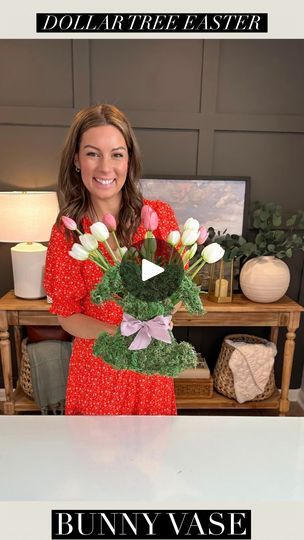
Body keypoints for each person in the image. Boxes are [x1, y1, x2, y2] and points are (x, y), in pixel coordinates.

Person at [44, 104, 181, 415]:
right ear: (77, 160)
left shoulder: (157, 218)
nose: (106, 167)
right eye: (93, 153)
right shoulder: (68, 232)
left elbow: (176, 291)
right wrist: (123, 332)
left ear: (129, 160)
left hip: (151, 367)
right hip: (98, 367)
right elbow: (67, 314)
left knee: (152, 458)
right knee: (95, 459)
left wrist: (157, 317)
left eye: (117, 154)